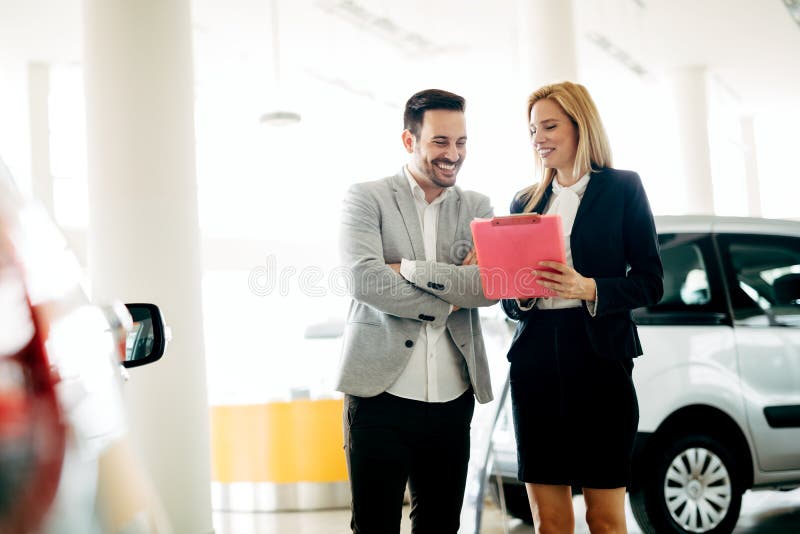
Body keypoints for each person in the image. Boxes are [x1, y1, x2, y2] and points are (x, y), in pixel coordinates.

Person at [501, 81, 663, 533]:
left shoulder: (623, 189)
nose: (539, 139)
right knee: (548, 519)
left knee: (605, 518)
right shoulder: (524, 202)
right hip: (535, 362)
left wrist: (589, 287)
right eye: (533, 130)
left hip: (599, 359)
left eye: (549, 126)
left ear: (580, 126)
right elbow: (508, 302)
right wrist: (520, 296)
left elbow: (651, 282)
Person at [337, 88, 496, 534]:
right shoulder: (366, 198)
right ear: (409, 141)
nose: (454, 154)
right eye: (441, 142)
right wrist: (451, 289)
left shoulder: (478, 208)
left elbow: (488, 287)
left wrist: (406, 268)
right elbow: (365, 280)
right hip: (379, 396)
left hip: (453, 396)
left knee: (442, 525)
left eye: (461, 142)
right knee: (374, 526)